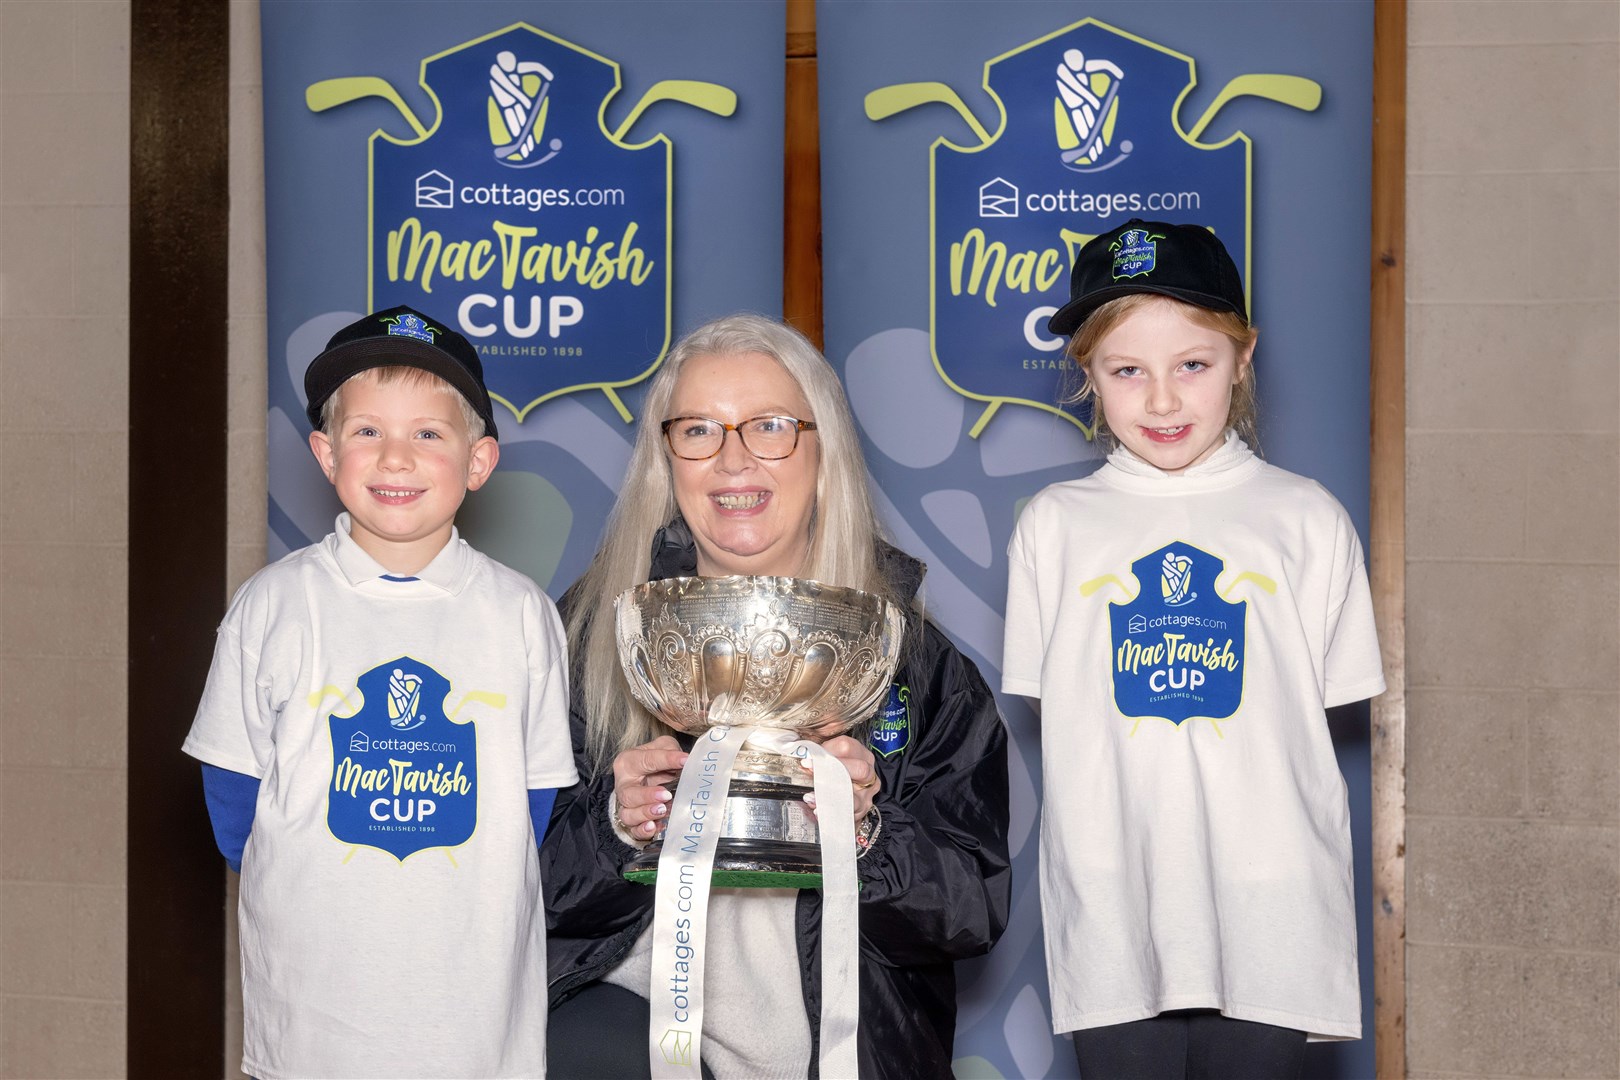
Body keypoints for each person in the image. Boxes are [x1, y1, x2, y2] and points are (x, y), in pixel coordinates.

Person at [541, 313, 1011, 1079]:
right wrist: (615, 831)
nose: (732, 460)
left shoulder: (913, 662)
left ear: (823, 449)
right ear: (667, 458)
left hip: (840, 1047)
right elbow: (514, 884)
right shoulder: (592, 634)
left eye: (769, 427)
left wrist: (867, 834)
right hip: (631, 1028)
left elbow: (973, 908)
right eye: (698, 430)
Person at [1003, 220, 1386, 1078]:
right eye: (1127, 369)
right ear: (1087, 375)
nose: (1163, 400)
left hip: (1272, 916)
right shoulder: (1054, 528)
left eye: (1193, 365)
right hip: (1113, 914)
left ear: (1244, 359)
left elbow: (1315, 712)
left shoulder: (1308, 519)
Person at [182, 306, 578, 1079]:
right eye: (367, 432)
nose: (396, 457)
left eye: (429, 433)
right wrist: (307, 889)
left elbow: (533, 804)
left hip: (472, 1023)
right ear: (326, 454)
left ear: (479, 460)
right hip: (312, 1019)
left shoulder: (520, 613)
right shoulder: (273, 604)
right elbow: (232, 793)